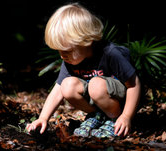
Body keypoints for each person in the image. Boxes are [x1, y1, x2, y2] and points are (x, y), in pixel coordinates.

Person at [25, 3, 141, 138]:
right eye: (59, 51)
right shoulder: (70, 60)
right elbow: (57, 91)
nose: (62, 56)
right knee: (67, 86)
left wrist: (126, 116)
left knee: (96, 85)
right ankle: (97, 116)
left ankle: (114, 120)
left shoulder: (110, 53)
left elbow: (134, 84)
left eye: (67, 50)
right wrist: (43, 118)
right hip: (100, 99)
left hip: (123, 100)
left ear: (87, 41)